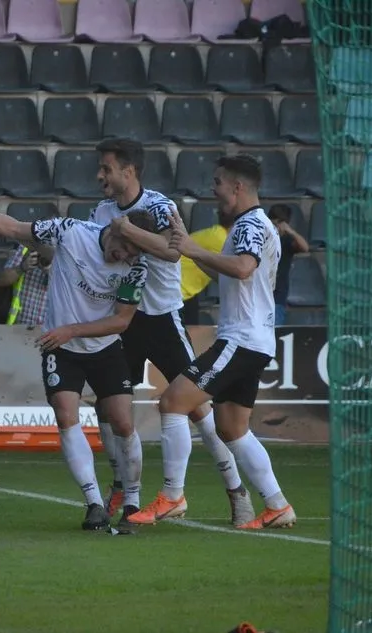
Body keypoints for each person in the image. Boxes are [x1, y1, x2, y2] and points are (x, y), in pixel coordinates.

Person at [0, 183, 158, 530]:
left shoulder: (136, 268)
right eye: (123, 246)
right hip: (61, 347)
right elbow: (14, 228)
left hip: (103, 345)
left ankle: (131, 501)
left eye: (132, 253)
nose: (123, 256)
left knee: (123, 422)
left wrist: (72, 329)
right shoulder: (70, 231)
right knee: (67, 416)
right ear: (114, 229)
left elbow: (121, 320)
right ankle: (94, 502)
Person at [85, 139, 253, 528]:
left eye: (106, 168)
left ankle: (236, 490)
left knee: (196, 407)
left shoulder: (160, 207)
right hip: (122, 319)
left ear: (129, 171)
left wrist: (126, 229)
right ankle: (124, 490)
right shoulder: (102, 211)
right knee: (108, 408)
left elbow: (172, 251)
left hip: (161, 319)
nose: (100, 176)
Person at [163, 154, 296, 530]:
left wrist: (192, 248)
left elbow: (242, 268)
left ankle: (172, 496)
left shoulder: (251, 224)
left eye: (218, 181)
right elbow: (231, 273)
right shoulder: (255, 224)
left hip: (241, 337)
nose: (213, 188)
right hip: (253, 338)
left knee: (173, 400)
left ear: (237, 187)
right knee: (232, 428)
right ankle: (277, 505)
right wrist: (186, 250)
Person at [266, 204, 309, 326]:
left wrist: (290, 231)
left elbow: (305, 247)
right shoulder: (261, 238)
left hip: (277, 299)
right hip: (259, 297)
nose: (277, 228)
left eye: (280, 224)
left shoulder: (286, 240)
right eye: (274, 224)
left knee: (273, 336)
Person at [0, 242, 51, 326]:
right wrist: (23, 267)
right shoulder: (26, 248)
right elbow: (1, 280)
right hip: (20, 326)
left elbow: (73, 288)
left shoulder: (66, 253)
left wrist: (50, 271)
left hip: (51, 330)